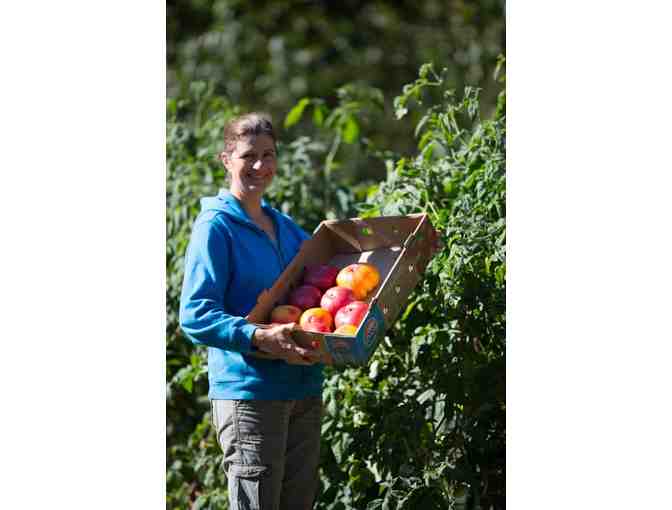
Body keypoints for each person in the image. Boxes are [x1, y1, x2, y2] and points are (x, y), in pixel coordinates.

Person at [179, 112, 324, 510]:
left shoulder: (286, 227)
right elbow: (195, 313)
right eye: (248, 156)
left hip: (304, 389)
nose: (260, 166)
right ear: (226, 159)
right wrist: (257, 336)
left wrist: (400, 253)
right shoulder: (216, 227)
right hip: (251, 395)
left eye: (268, 155)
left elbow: (330, 273)